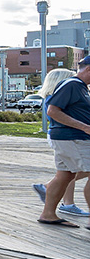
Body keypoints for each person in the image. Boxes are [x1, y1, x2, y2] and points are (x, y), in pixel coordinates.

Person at [38, 55, 90, 226]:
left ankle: (48, 214)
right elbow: (52, 111)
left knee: (65, 175)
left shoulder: (80, 87)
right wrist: (85, 127)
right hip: (73, 138)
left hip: (69, 138)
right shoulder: (71, 85)